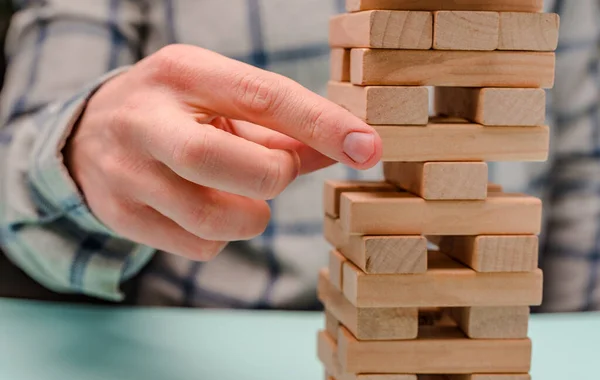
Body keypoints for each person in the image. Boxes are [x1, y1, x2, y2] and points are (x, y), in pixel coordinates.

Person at [0, 0, 598, 312]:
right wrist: (82, 146)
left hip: (490, 303)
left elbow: (583, 169)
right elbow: (18, 163)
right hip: (203, 326)